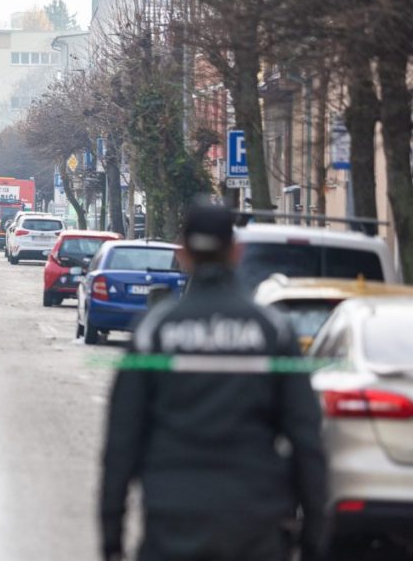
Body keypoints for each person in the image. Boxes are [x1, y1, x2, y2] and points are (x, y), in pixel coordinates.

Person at [99, 200, 326, 561]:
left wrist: (112, 538)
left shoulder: (154, 332)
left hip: (173, 524)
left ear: (184, 254)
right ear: (236, 252)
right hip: (255, 524)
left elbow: (121, 441)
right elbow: (307, 439)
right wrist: (314, 535)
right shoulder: (273, 331)